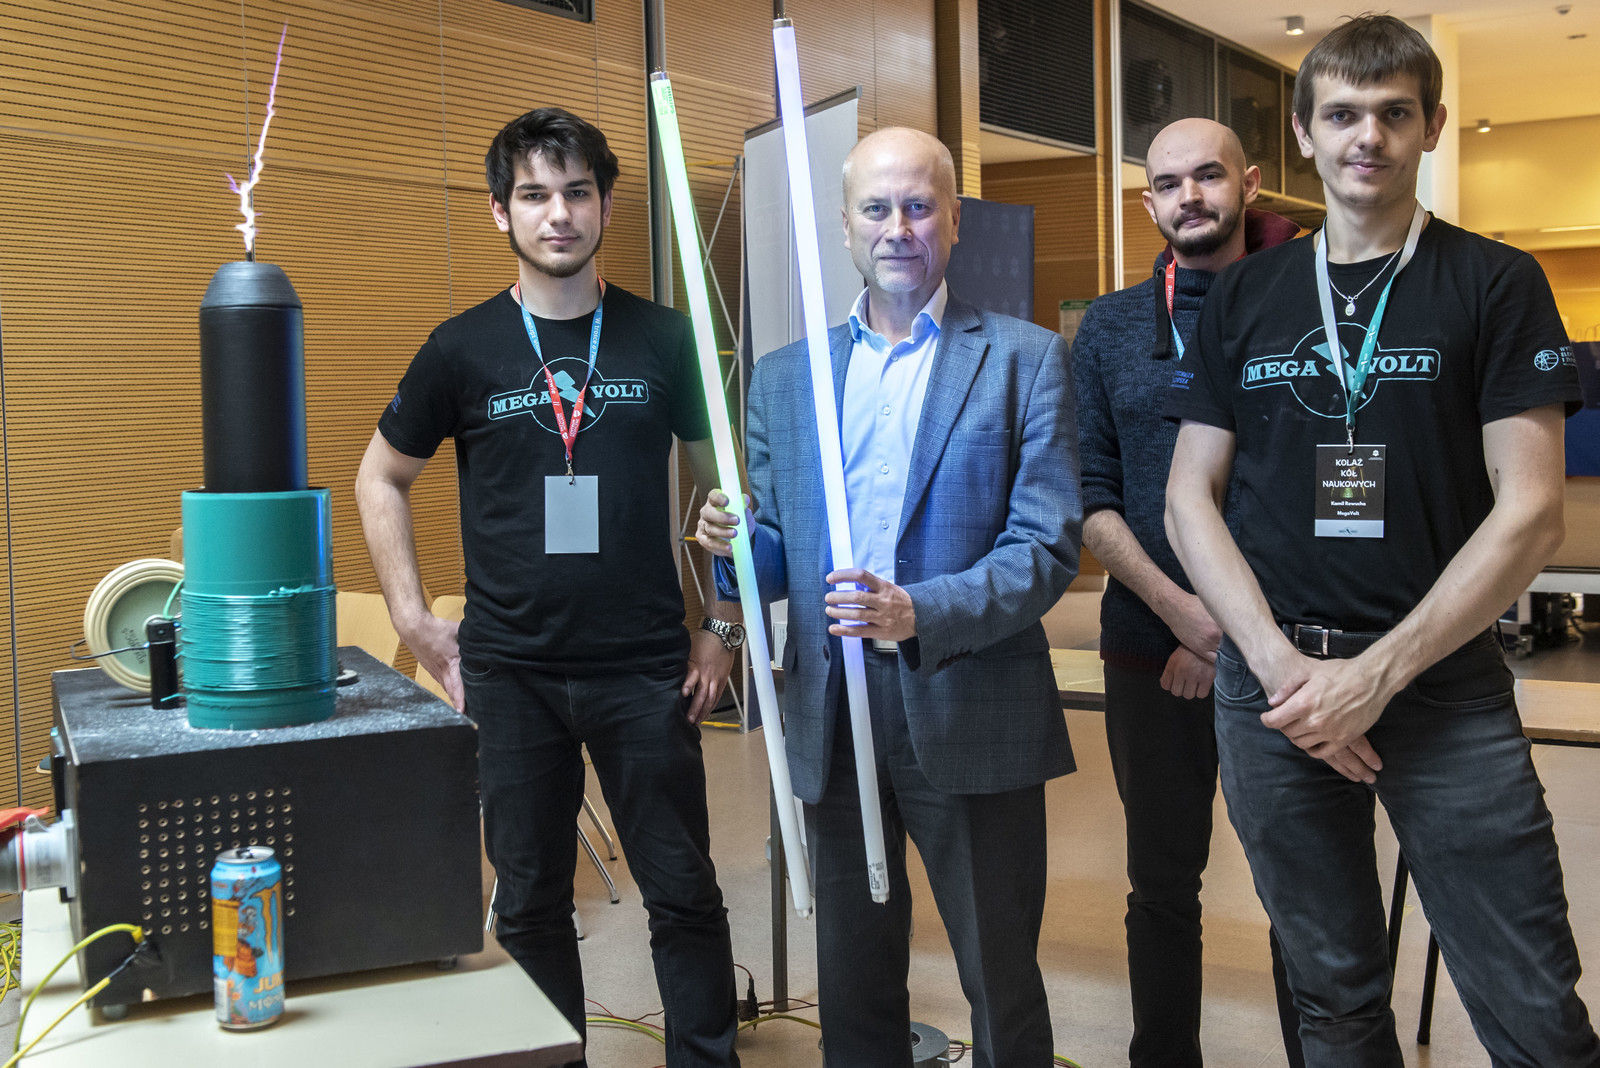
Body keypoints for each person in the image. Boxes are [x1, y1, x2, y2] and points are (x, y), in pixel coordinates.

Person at [1164, 15, 1600, 1066]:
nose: (1369, 136)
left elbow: (1531, 511)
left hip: (1440, 688)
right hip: (1274, 696)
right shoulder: (1245, 295)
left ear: (1432, 126)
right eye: (1343, 115)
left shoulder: (1494, 282)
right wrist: (1283, 672)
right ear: (1304, 135)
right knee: (1332, 997)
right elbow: (1188, 499)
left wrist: (1374, 677)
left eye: (1394, 113)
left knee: (1531, 1002)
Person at [355, 107, 745, 1068]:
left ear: (605, 204)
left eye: (577, 192)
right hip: (511, 674)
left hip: (645, 666)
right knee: (529, 903)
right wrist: (413, 619)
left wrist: (725, 621)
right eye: (534, 194)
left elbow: (728, 491)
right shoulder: (460, 348)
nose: (558, 214)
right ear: (501, 211)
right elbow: (380, 478)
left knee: (684, 893)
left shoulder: (665, 338)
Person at [697, 126, 1079, 1068]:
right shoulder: (787, 377)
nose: (897, 228)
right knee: (854, 979)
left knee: (999, 975)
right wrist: (734, 548)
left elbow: (1045, 548)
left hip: (969, 697)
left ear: (954, 218)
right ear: (844, 225)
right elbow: (777, 560)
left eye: (917, 206)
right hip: (831, 710)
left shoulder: (1025, 359)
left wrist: (921, 612)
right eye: (876, 208)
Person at [1072, 117, 1305, 1068]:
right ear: (1148, 203)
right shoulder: (1109, 327)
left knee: (1302, 892)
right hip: (1146, 647)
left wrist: (1234, 634)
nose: (1190, 197)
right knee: (1161, 887)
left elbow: (1301, 489)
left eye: (1209, 176)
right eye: (1169, 183)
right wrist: (1182, 615)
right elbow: (1090, 497)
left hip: (1287, 657)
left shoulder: (1304, 310)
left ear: (1250, 183)